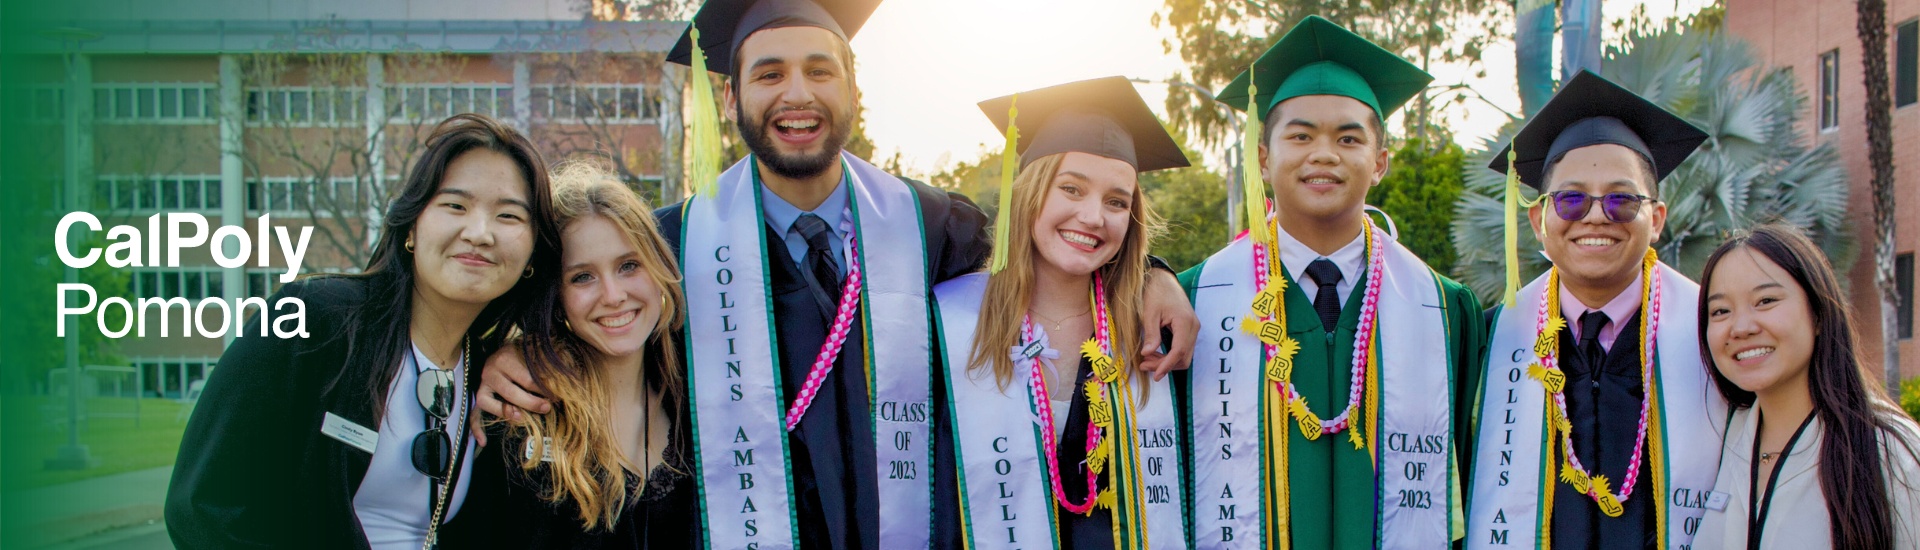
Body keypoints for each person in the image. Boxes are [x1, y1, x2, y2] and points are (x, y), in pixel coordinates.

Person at [471, 1, 1201, 547]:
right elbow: (591, 315)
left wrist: (1152, 277)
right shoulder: (670, 247)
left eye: (820, 70)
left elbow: (1052, 260)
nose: (797, 93)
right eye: (770, 73)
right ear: (732, 98)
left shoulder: (935, 227)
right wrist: (512, 348)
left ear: (853, 87)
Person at [165, 113, 560, 549]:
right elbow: (203, 507)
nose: (480, 233)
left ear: (531, 255)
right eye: (455, 206)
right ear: (412, 225)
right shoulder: (314, 322)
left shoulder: (494, 382)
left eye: (508, 216)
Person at [1177, 15, 1486, 549]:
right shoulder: (1193, 300)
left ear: (1381, 162)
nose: (1324, 153)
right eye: (1300, 136)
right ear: (1263, 158)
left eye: (1349, 137)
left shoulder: (1445, 309)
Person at [1465, 70, 1727, 550]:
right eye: (1570, 199)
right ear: (1539, 220)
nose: (1595, 215)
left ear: (1658, 220)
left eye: (1622, 200)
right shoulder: (1487, 341)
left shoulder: (1710, 334)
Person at [932, 76, 1190, 548]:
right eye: (1071, 189)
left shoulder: (1151, 336)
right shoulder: (948, 324)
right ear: (1029, 193)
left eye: (1117, 202)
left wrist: (1158, 274)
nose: (1094, 217)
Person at [440, 162, 698, 547]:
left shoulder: (696, 400)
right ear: (555, 299)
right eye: (582, 277)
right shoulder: (518, 419)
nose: (613, 295)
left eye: (629, 266)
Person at [1691, 224, 1920, 549]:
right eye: (1721, 311)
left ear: (1818, 314)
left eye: (1766, 300)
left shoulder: (1888, 450)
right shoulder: (1724, 439)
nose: (1740, 327)